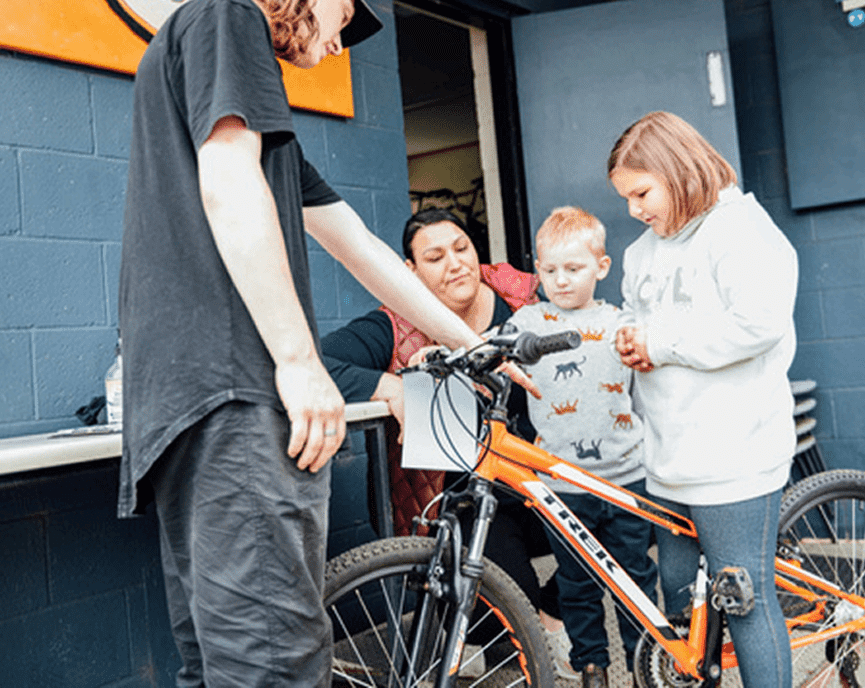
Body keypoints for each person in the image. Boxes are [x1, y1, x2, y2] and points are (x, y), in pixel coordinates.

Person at [117, 0, 519, 688]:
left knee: (222, 663)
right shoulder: (227, 17)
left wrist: (471, 343)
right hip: (236, 395)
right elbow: (227, 180)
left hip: (186, 405)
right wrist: (301, 363)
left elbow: (360, 247)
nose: (338, 45)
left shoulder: (262, 128)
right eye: (345, 18)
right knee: (276, 664)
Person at [321, 208, 572, 676]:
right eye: (435, 257)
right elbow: (318, 363)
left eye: (461, 248)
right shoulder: (393, 325)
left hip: (540, 475)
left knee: (620, 520)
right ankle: (484, 634)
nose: (455, 263)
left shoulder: (524, 301)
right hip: (463, 498)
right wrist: (390, 386)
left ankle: (552, 616)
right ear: (410, 271)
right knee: (506, 604)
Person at [608, 111, 798, 688]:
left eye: (642, 193)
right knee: (680, 602)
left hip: (733, 456)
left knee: (743, 601)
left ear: (678, 171)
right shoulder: (641, 253)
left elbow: (758, 324)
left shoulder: (740, 229)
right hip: (669, 459)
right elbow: (640, 318)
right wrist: (630, 338)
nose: (634, 210)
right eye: (626, 198)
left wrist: (660, 343)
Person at [506, 206, 658, 688]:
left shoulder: (620, 323)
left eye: (573, 268)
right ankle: (592, 666)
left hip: (625, 480)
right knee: (576, 584)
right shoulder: (527, 321)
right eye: (550, 270)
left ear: (601, 266)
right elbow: (485, 346)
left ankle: (644, 665)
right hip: (562, 485)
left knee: (635, 579)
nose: (561, 280)